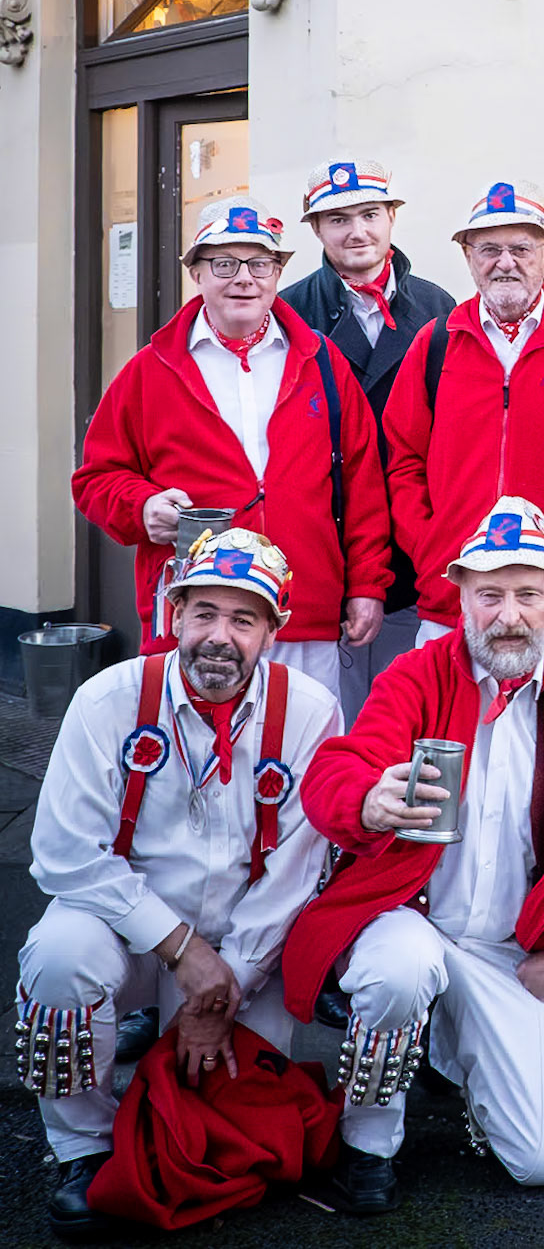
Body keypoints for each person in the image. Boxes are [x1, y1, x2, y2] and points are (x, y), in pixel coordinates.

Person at [283, 498, 544, 1212]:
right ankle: (370, 1141)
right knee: (399, 969)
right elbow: (338, 766)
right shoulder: (418, 674)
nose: (509, 615)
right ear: (461, 596)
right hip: (412, 917)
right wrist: (367, 800)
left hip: (509, 950)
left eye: (528, 594)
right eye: (489, 594)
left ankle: (449, 1047)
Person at [18, 530, 339, 1242]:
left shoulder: (310, 709)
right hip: (130, 939)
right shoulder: (108, 698)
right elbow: (62, 852)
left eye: (243, 618)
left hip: (244, 949)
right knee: (59, 959)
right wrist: (181, 949)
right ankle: (82, 1149)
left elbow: (294, 870)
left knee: (229, 1119)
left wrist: (226, 983)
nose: (219, 637)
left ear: (274, 630)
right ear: (173, 613)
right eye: (204, 613)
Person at [73, 200, 391, 696]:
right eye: (224, 264)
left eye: (259, 263)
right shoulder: (150, 370)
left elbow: (363, 485)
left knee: (303, 760)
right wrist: (142, 506)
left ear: (278, 273)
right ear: (197, 273)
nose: (243, 278)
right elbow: (95, 479)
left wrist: (368, 586)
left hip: (304, 614)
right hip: (196, 619)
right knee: (192, 761)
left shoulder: (323, 363)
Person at [382, 180, 544, 645]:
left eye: (521, 248)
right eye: (489, 248)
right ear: (468, 256)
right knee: (452, 719)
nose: (505, 262)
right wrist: (433, 548)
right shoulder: (436, 344)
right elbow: (402, 459)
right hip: (454, 600)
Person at [280, 158, 456, 716]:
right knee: (337, 710)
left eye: (370, 214)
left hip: (416, 538)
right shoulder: (288, 311)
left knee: (415, 701)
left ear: (392, 219)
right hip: (334, 537)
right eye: (338, 219)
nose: (357, 231)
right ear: (315, 230)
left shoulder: (438, 307)